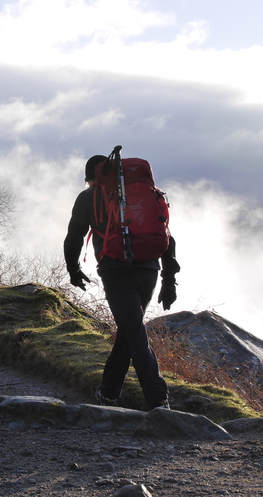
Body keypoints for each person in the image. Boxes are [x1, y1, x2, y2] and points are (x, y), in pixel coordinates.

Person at [63, 154, 180, 410]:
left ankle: (158, 399)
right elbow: (168, 236)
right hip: (148, 268)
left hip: (115, 269)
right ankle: (108, 393)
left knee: (134, 332)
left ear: (92, 177)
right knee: (129, 330)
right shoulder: (148, 194)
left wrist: (73, 269)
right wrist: (168, 280)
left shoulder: (89, 197)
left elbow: (74, 237)